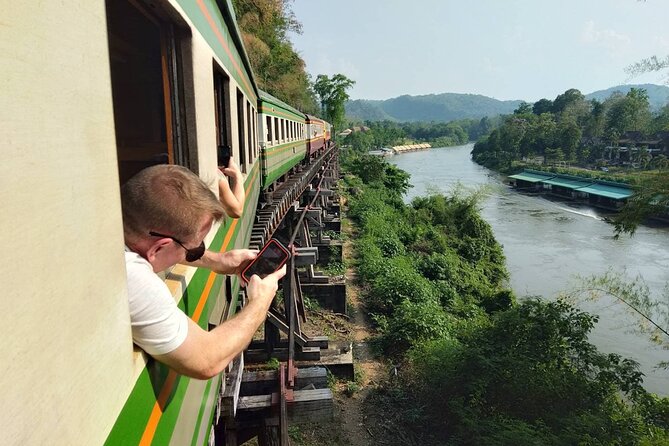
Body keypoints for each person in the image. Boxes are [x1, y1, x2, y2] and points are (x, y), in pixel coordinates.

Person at [121, 164, 285, 379]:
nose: (197, 253)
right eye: (195, 249)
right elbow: (207, 360)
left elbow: (166, 251)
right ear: (158, 248)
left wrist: (217, 260)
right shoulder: (133, 279)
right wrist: (260, 302)